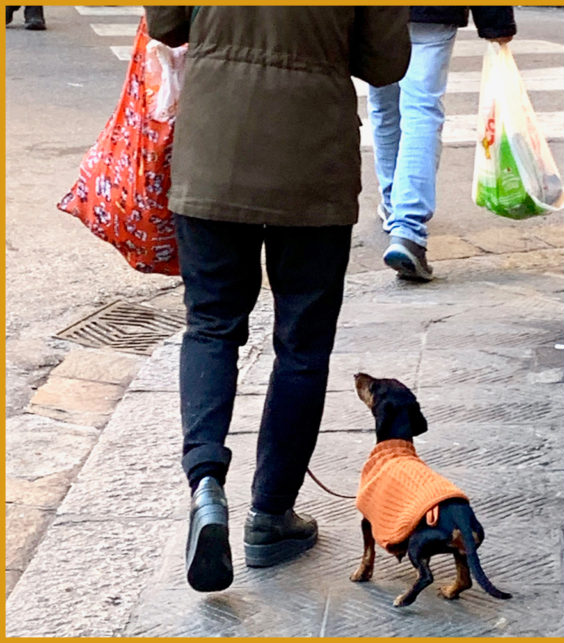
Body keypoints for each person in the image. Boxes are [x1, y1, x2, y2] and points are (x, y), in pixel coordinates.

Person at [144, 6, 410, 592]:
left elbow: (165, 22)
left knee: (211, 326)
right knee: (303, 347)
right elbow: (387, 62)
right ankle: (269, 517)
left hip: (212, 156)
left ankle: (207, 486)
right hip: (311, 164)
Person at [368, 6, 516, 281]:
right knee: (421, 108)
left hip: (375, 13)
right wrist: (496, 22)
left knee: (384, 105)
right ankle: (407, 228)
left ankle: (392, 203)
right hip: (432, 11)